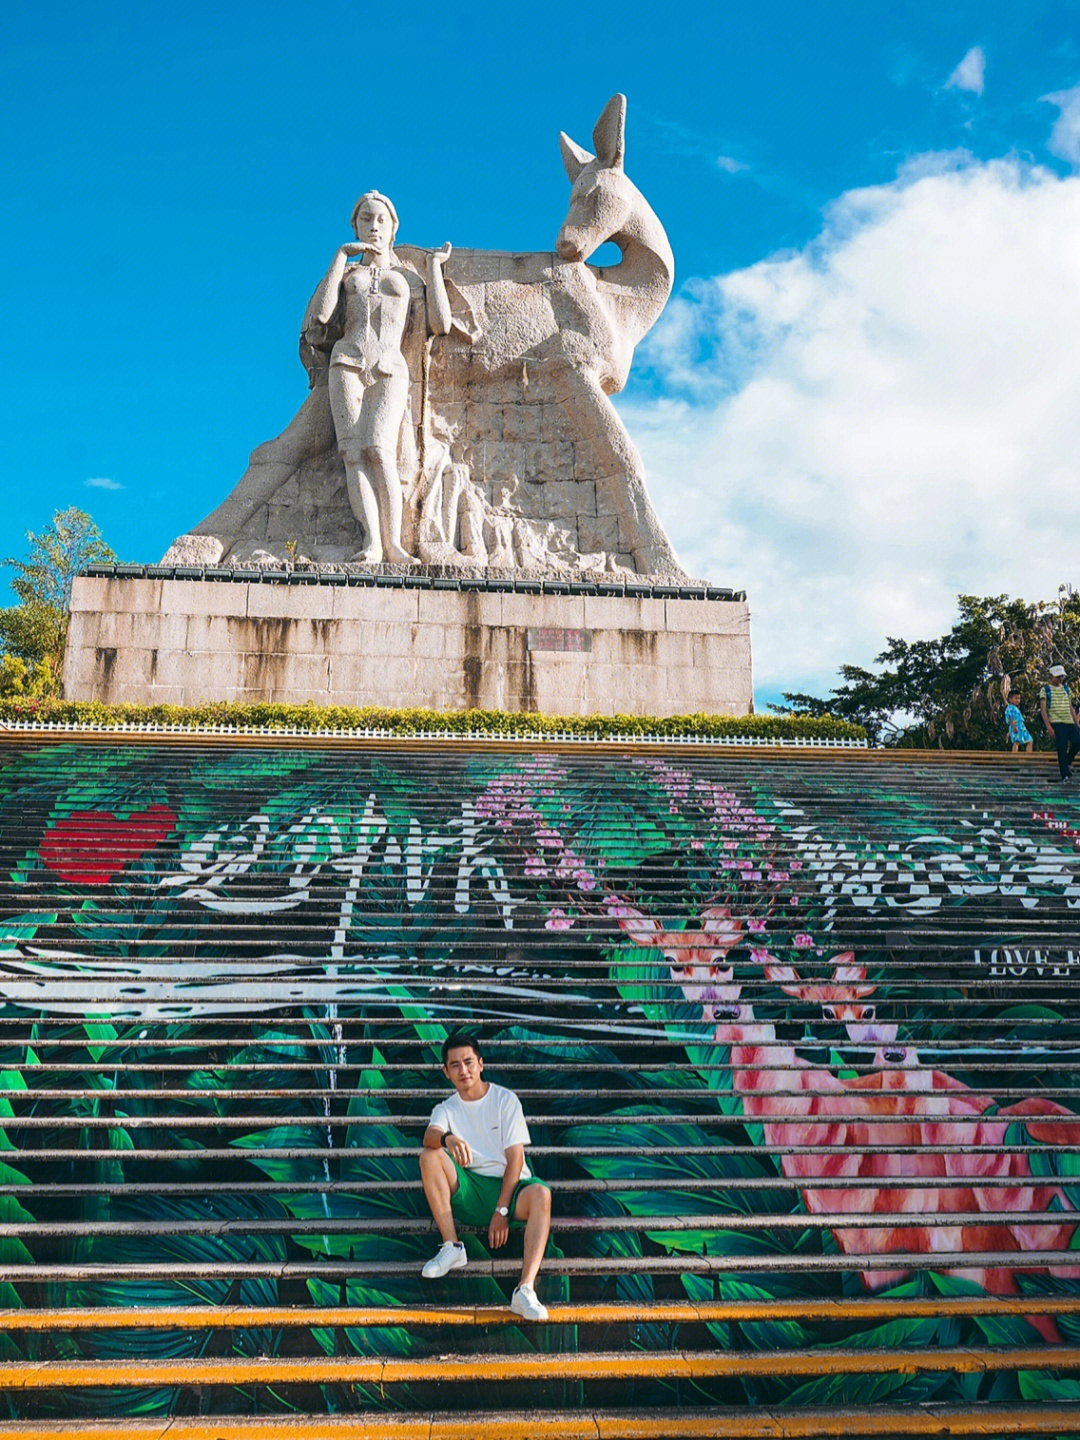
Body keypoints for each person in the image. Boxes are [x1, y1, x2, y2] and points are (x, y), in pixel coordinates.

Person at [303, 192, 454, 563]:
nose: (373, 227)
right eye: (365, 219)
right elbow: (320, 318)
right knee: (353, 454)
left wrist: (434, 267)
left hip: (389, 365)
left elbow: (441, 323)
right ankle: (371, 542)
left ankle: (394, 545)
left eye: (380, 220)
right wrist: (340, 258)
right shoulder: (348, 274)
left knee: (379, 450)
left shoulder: (407, 275)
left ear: (393, 227)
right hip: (347, 362)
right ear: (354, 226)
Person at [419, 1032, 552, 1321]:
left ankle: (525, 1290)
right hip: (471, 1189)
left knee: (542, 1194)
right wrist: (448, 1139)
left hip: (513, 1190)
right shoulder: (446, 1108)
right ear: (446, 1072)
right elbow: (429, 1136)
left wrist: (501, 1210)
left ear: (481, 1064)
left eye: (468, 1062)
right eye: (454, 1065)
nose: (463, 1070)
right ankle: (452, 1247)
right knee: (429, 1156)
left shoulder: (505, 1100)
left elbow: (516, 1161)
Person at [1039, 665, 1080, 781]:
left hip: (1069, 721)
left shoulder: (1066, 689)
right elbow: (1043, 710)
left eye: (1061, 676)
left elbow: (1071, 707)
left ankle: (1066, 763)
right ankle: (1064, 774)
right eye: (1057, 677)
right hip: (1057, 722)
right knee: (1062, 748)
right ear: (1051, 676)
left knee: (1077, 741)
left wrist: (1077, 723)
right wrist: (1048, 726)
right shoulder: (1045, 690)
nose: (1060, 679)